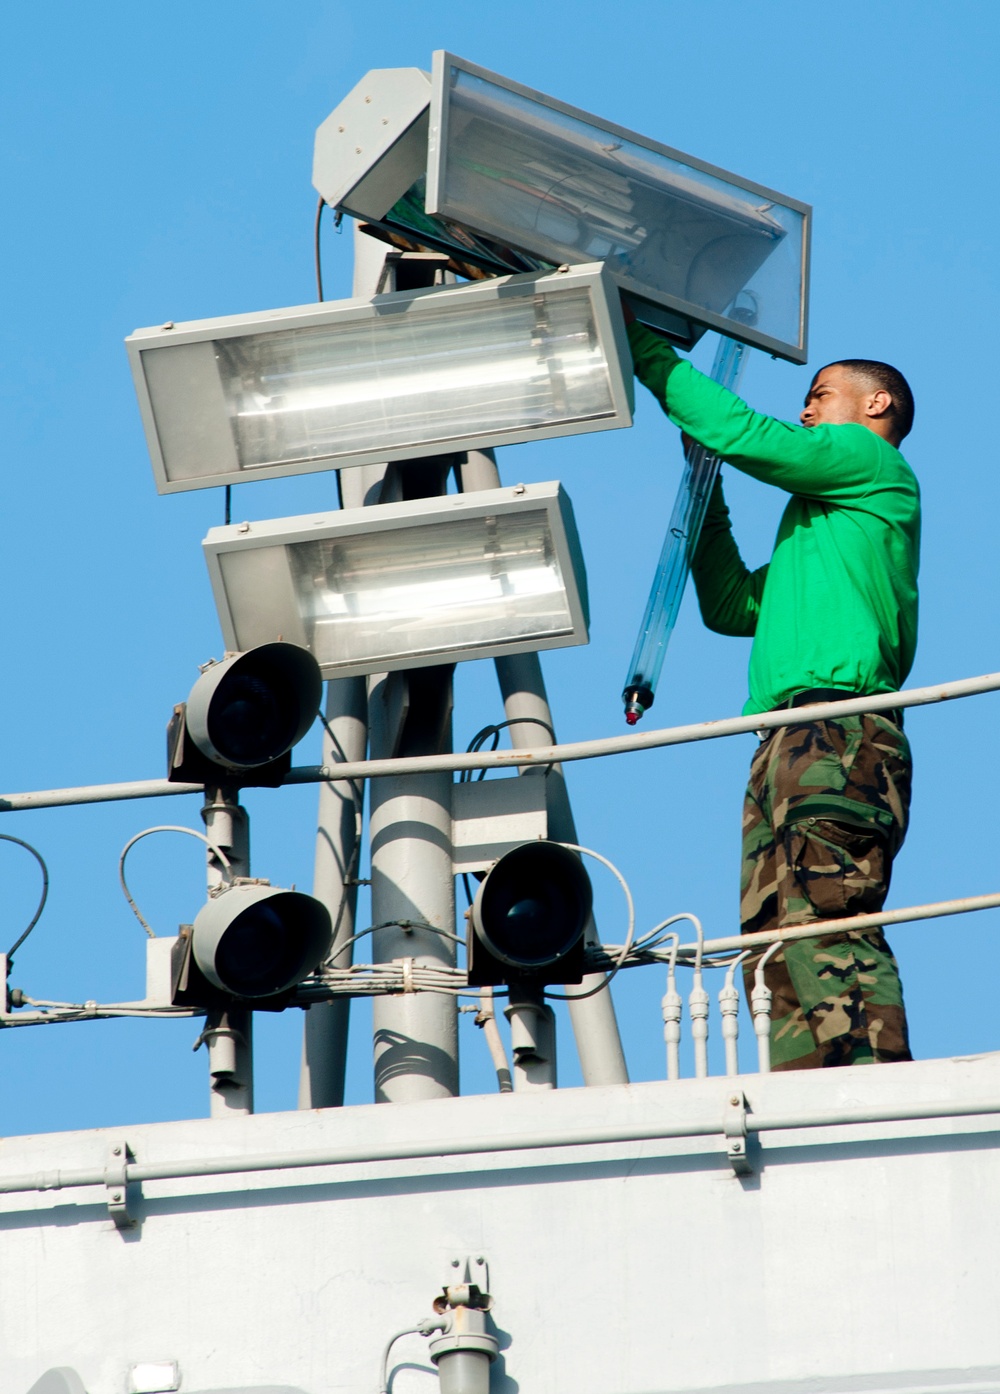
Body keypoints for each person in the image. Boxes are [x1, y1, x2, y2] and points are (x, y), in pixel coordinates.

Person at [625, 308, 919, 1070]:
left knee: (829, 919)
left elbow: (757, 437)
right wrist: (707, 485)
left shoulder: (873, 465)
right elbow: (730, 606)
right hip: (785, 740)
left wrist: (644, 351)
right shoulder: (822, 528)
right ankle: (807, 1099)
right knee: (772, 945)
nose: (807, 408)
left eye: (821, 394)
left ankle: (872, 1091)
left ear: (874, 406)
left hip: (838, 728)